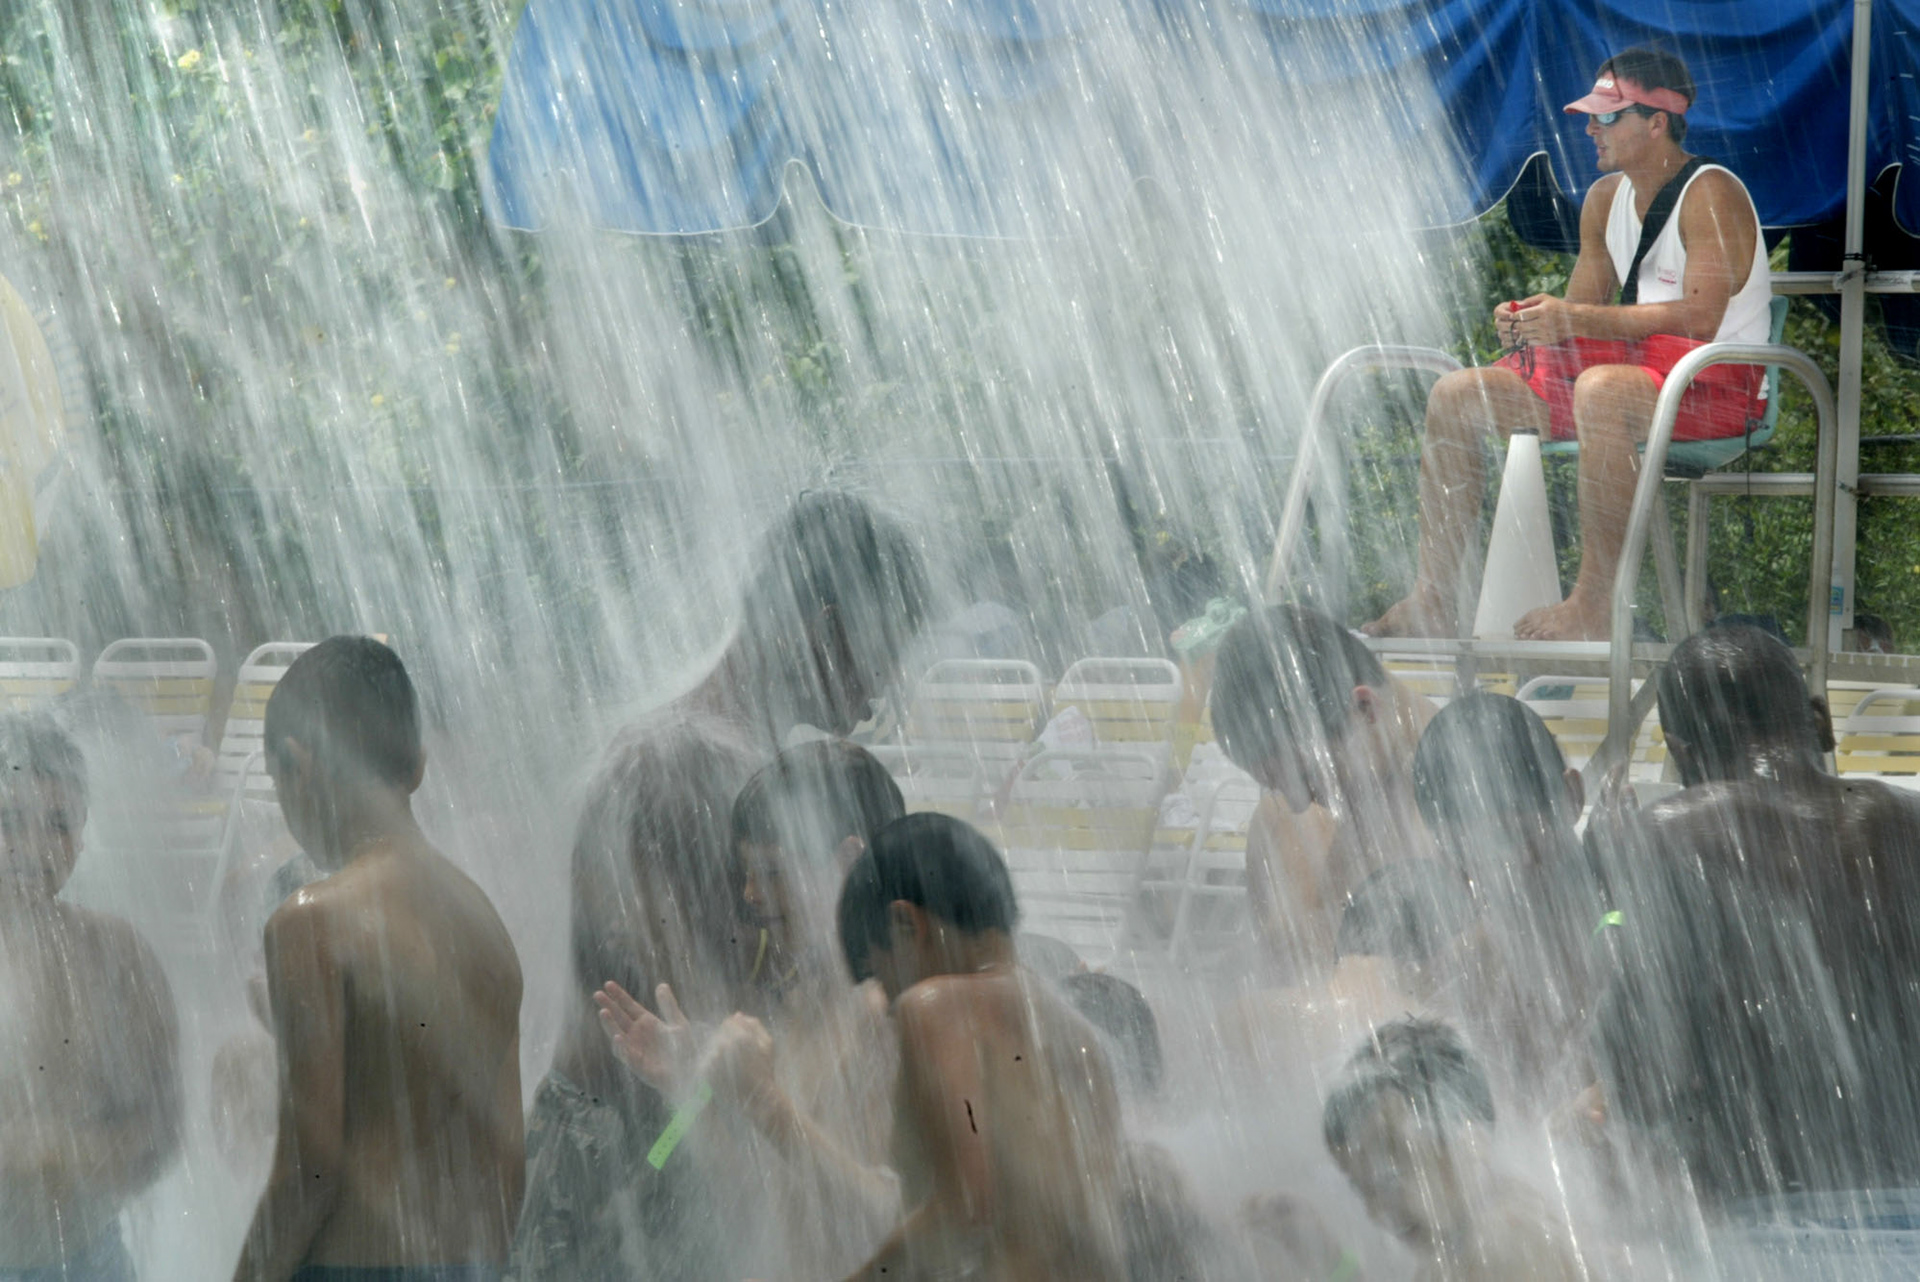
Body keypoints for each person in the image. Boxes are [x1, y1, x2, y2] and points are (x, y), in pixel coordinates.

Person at [511, 491, 930, 1279]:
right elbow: (704, 1009)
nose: (883, 695)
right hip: (638, 1158)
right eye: (886, 654)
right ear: (827, 626)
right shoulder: (683, 769)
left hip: (670, 1139)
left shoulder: (738, 767)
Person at [1365, 47, 1773, 641]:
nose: (1589, 128)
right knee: (1457, 394)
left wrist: (1571, 317)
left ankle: (1595, 605)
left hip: (1717, 383)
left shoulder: (1712, 192)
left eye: (1606, 117)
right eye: (1590, 116)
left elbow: (1702, 318)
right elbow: (1579, 324)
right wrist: (1530, 321)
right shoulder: (1604, 199)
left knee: (1601, 390)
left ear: (1657, 121)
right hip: (1631, 379)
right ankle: (1432, 597)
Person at [1588, 625, 1920, 1214]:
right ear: (1818, 719)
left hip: (1769, 1213)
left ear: (1681, 749)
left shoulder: (1672, 834)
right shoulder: (1910, 822)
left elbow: (1638, 1075)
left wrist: (1614, 895)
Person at [233, 637, 525, 1282]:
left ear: (296, 763)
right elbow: (509, 1156)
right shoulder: (484, 921)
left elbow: (311, 1168)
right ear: (417, 765)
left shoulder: (310, 922)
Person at [593, 738, 908, 1278]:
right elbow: (760, 1205)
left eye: (773, 872)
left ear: (850, 862)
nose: (750, 894)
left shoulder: (887, 1015)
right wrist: (687, 1088)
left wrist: (765, 1103)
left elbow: (895, 1221)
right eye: (746, 874)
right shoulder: (793, 1004)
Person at [836, 812, 1133, 1279]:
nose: (888, 1004)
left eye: (880, 975)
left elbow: (967, 1206)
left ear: (904, 924)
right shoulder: (1073, 1030)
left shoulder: (935, 1006)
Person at [0, 710, 181, 1280]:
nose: (33, 846)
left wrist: (58, 1152)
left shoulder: (117, 955)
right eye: (9, 819)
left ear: (82, 832)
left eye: (58, 823)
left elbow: (162, 1129)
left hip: (81, 1258)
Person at [1209, 605, 1438, 977]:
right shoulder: (1276, 823)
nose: (1297, 805)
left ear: (1365, 710)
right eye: (1276, 788)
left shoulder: (1471, 809)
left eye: (1308, 780)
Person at [1410, 694, 1601, 1098]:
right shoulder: (1462, 972)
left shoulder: (1629, 925)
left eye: (1516, 836)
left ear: (1571, 797)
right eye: (1475, 853)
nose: (1510, 866)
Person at [1323, 1019, 1581, 1281]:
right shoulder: (1456, 1251)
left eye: (1387, 1176)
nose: (1377, 1213)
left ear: (1468, 1140)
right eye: (1361, 1188)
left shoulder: (1507, 1243)